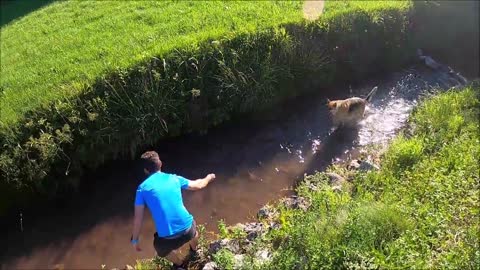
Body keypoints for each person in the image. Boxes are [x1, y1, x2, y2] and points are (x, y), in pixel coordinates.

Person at [131, 151, 215, 269]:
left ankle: (180, 265)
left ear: (145, 170)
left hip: (167, 240)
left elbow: (138, 220)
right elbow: (199, 185)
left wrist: (134, 241)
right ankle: (194, 251)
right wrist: (209, 177)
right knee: (194, 231)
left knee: (160, 249)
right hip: (188, 230)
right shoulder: (174, 178)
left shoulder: (142, 189)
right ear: (160, 164)